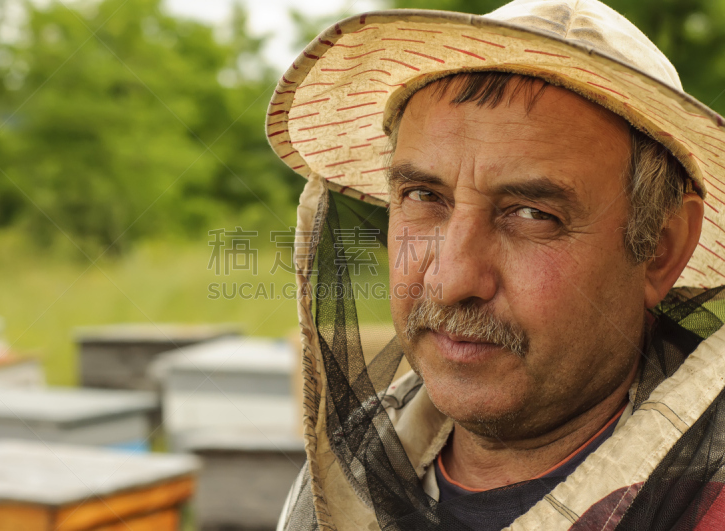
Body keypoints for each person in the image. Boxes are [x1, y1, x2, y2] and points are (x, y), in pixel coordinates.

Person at [265, 0, 725, 529]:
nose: (449, 280)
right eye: (422, 196)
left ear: (661, 248)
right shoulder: (349, 469)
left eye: (532, 214)